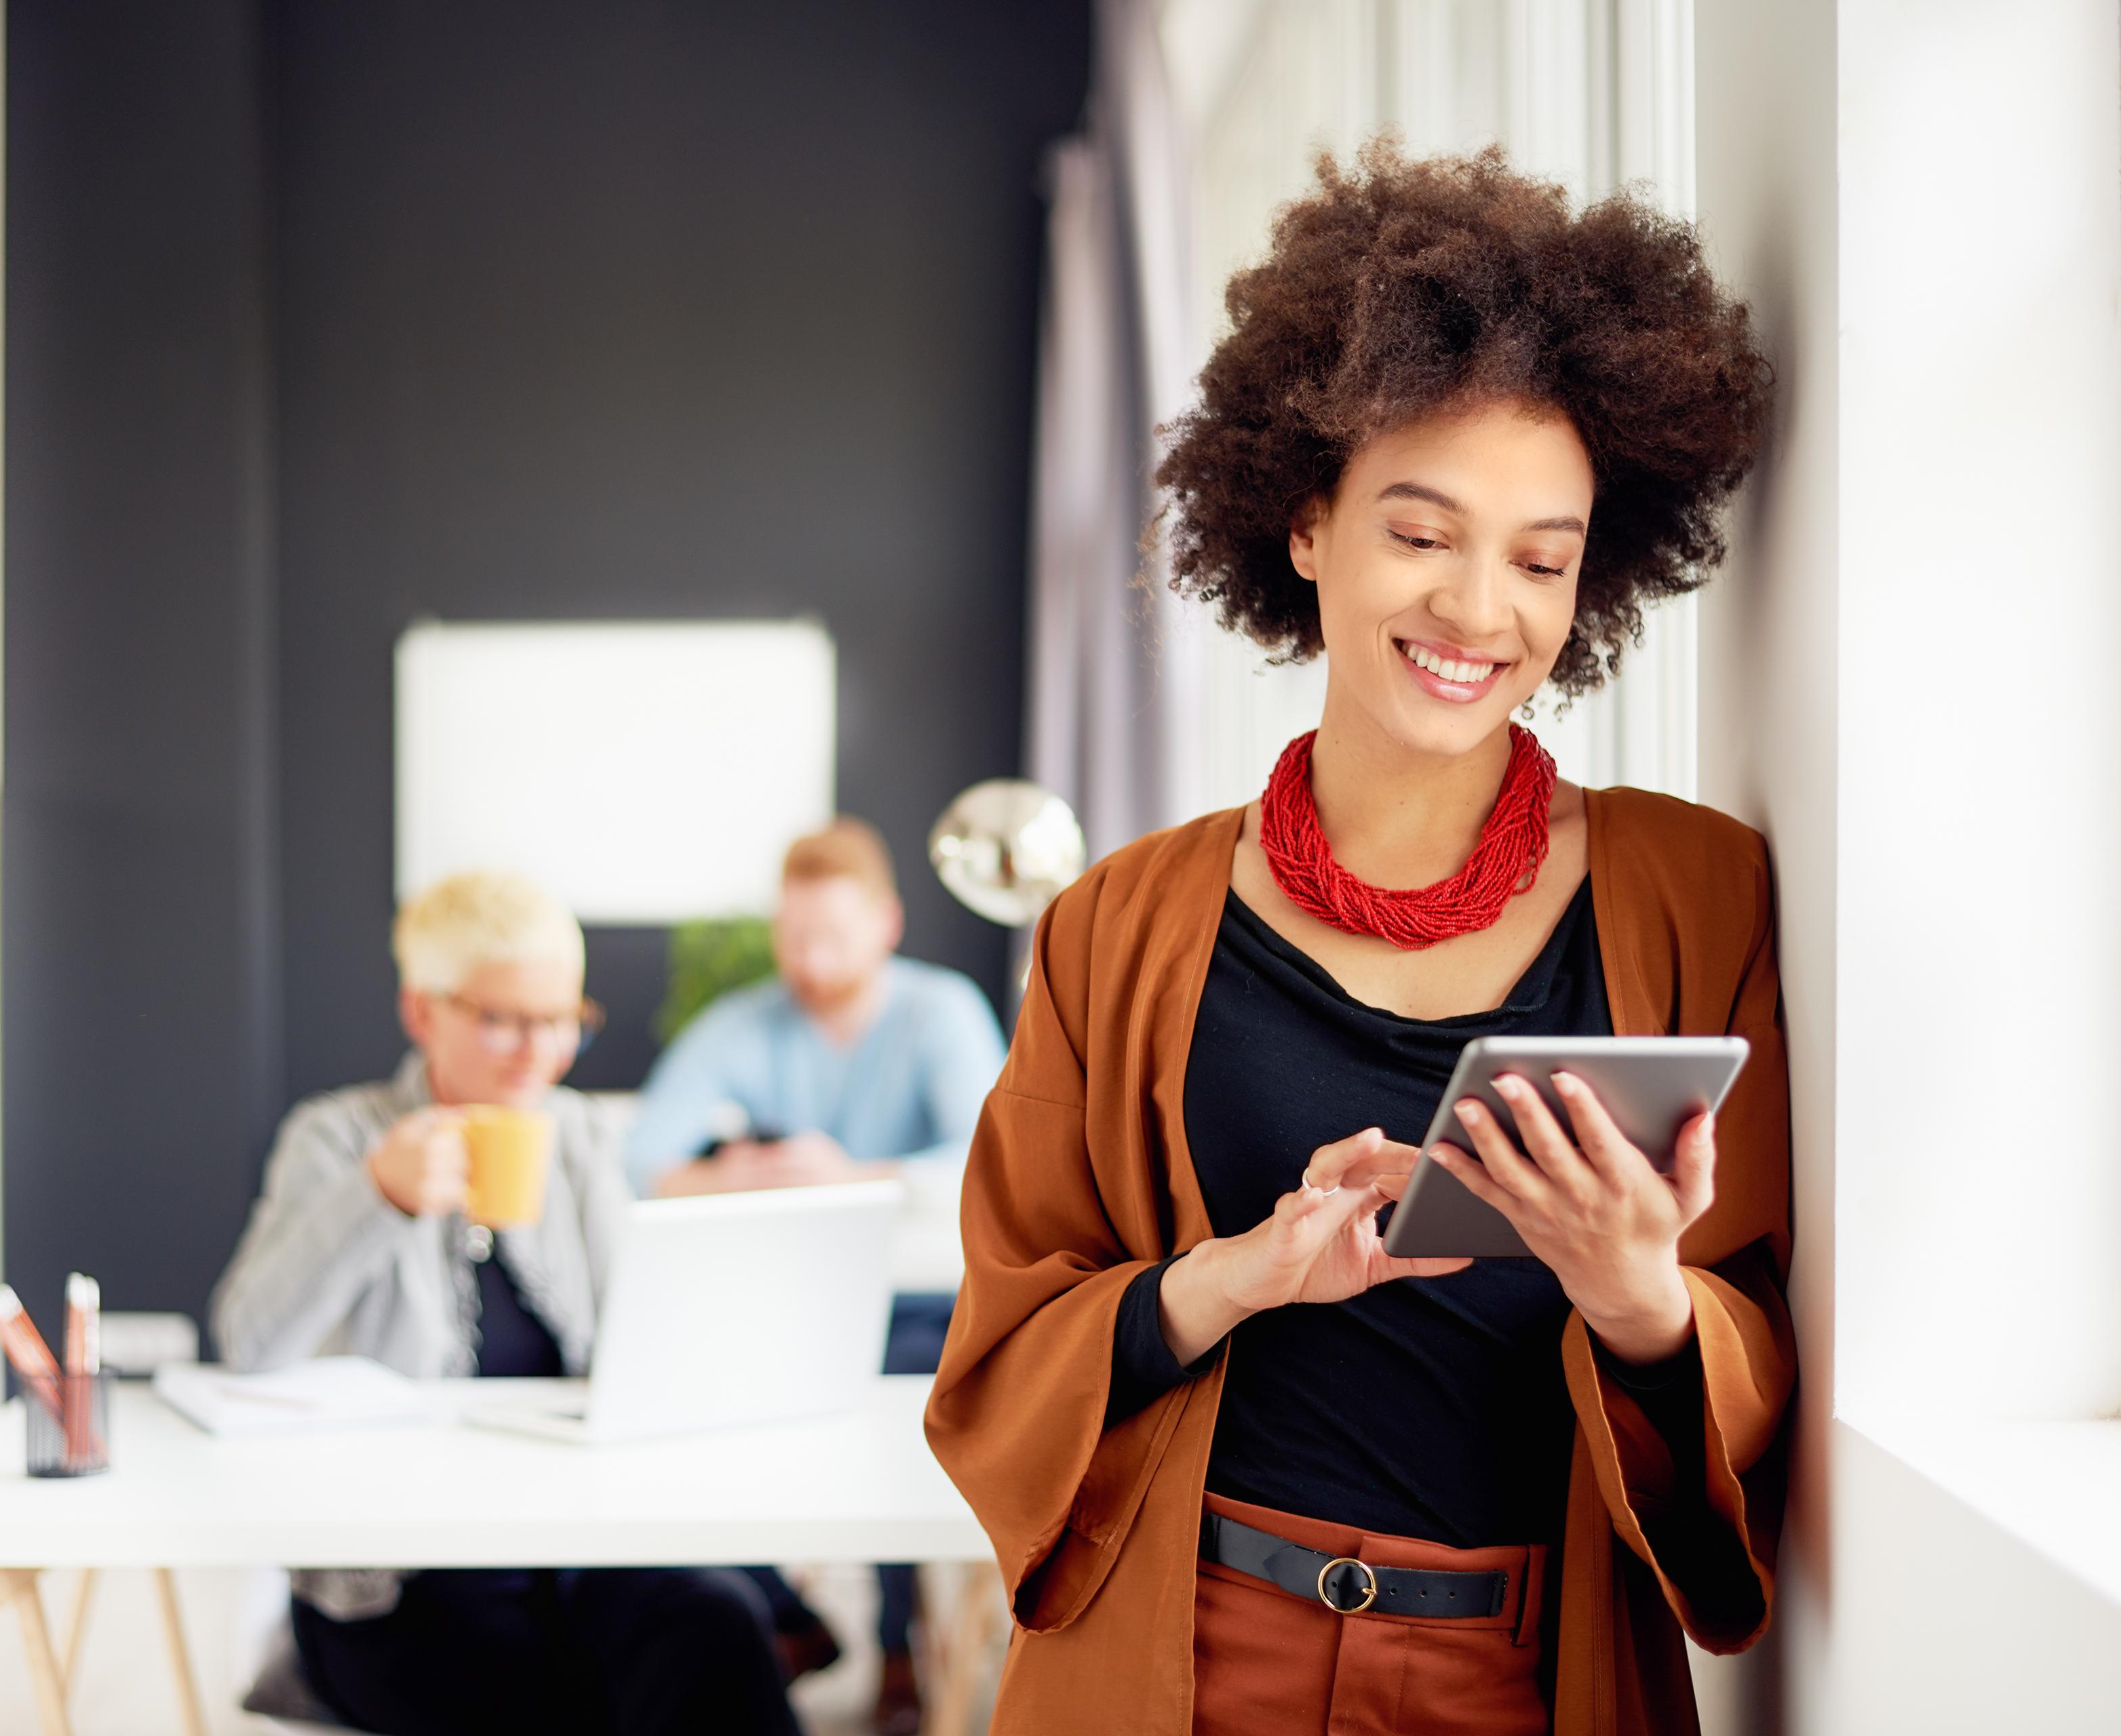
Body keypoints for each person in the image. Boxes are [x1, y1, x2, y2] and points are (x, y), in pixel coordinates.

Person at [925, 142, 1791, 1736]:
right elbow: (999, 1348)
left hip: (1528, 1677)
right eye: (1418, 530)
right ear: (1303, 522)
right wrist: (1225, 1280)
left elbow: (1756, 1345)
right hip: (1178, 1659)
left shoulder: (1697, 891)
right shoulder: (1116, 925)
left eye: (1541, 557)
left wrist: (1638, 1297)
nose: (1479, 608)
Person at [211, 871, 802, 1736]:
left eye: (561, 1020)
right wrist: (378, 1195)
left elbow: (636, 1340)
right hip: (404, 1580)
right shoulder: (338, 1136)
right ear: (424, 1013)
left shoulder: (578, 1134)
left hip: (573, 1549)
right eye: (504, 1020)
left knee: (715, 1622)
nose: (539, 1051)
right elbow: (247, 1338)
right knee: (556, 1693)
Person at [625, 817, 1007, 1736]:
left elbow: (989, 1161)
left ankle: (894, 1647)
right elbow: (646, 1156)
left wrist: (849, 1176)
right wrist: (743, 1171)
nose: (808, 959)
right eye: (792, 938)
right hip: (784, 1307)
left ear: (886, 922)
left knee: (901, 1417)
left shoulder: (941, 1012)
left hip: (923, 1303)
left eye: (830, 937)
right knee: (683, 1412)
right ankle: (774, 1616)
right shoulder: (744, 1023)